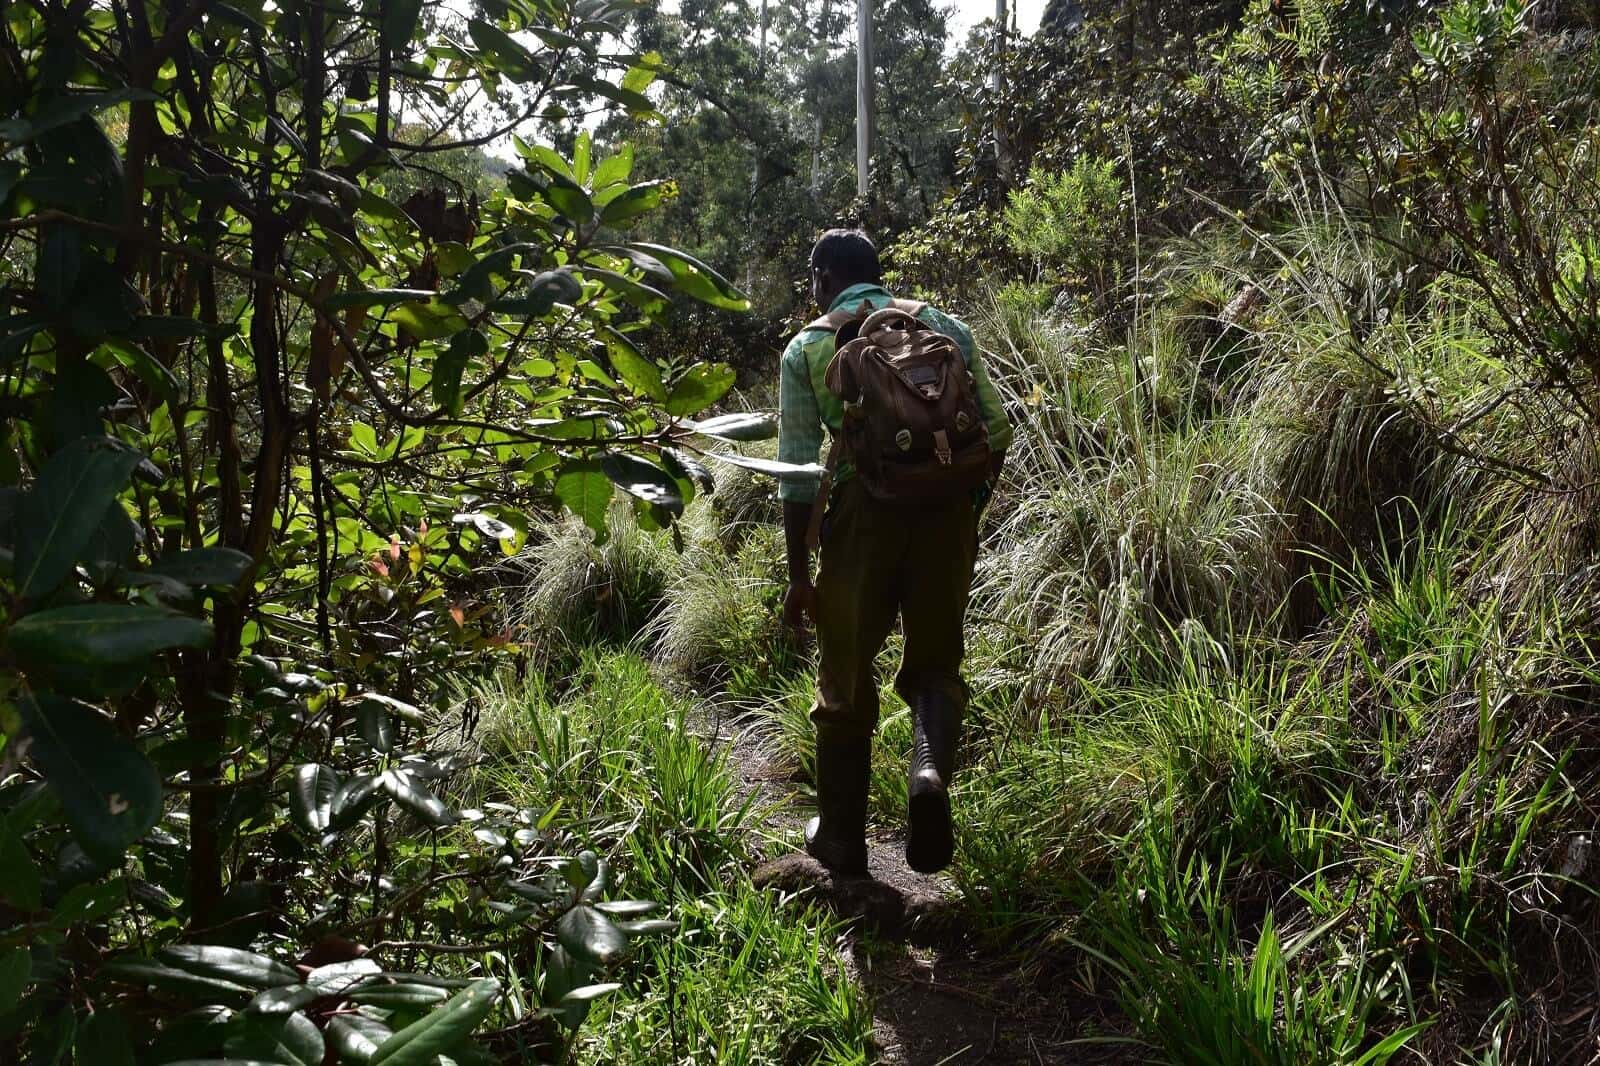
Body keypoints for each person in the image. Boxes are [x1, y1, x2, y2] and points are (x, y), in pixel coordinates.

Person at [776, 229, 1011, 876]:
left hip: (859, 526)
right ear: (880, 275)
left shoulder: (807, 347)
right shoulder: (942, 325)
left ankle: (842, 841)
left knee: (845, 676)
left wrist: (800, 575)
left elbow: (797, 471)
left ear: (823, 278)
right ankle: (929, 774)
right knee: (937, 666)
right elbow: (996, 429)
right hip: (945, 514)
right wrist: (965, 512)